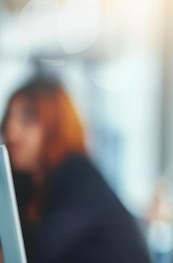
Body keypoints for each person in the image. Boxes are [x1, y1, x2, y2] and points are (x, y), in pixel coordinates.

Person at [0, 75, 150, 263]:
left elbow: (41, 251)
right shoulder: (27, 185)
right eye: (8, 118)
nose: (10, 130)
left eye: (28, 118)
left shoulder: (78, 177)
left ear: (57, 125)